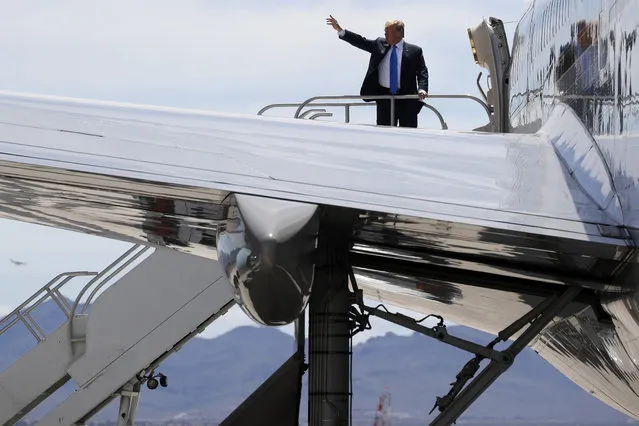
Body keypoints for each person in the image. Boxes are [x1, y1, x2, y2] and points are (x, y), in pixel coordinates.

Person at [326, 15, 429, 128]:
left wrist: (422, 89)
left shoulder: (415, 51)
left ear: (399, 33)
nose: (385, 35)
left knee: (409, 134)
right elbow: (361, 41)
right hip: (384, 98)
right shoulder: (379, 44)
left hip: (406, 98)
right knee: (385, 133)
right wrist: (340, 30)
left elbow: (422, 71)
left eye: (387, 33)